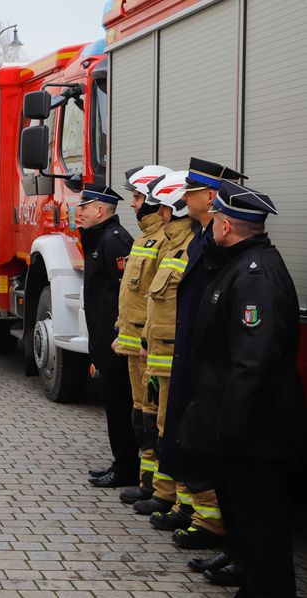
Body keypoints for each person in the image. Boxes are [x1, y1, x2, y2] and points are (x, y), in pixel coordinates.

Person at [179, 181, 306, 595]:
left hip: (255, 429)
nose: (210, 226)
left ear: (226, 226)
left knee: (261, 527)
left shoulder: (255, 276)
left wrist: (231, 427)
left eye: (214, 219)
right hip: (238, 424)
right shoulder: (239, 265)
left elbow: (252, 361)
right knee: (246, 524)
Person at [134, 172, 228, 552]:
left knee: (183, 433)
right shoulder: (181, 245)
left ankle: (201, 515)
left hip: (180, 358)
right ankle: (182, 504)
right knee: (163, 427)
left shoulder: (196, 247)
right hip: (164, 354)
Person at [113, 165, 172, 505]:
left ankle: (158, 487)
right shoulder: (146, 239)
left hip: (152, 351)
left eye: (137, 197)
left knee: (154, 419)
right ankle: (148, 481)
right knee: (143, 416)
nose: (133, 204)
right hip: (137, 347)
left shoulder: (164, 241)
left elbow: (157, 302)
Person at [77, 184, 139, 489]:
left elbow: (125, 294)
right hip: (105, 337)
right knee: (114, 406)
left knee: (120, 406)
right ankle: (122, 463)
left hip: (115, 339)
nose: (79, 212)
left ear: (100, 210)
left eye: (85, 207)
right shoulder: (100, 238)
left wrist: (118, 333)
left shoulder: (114, 241)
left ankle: (127, 467)